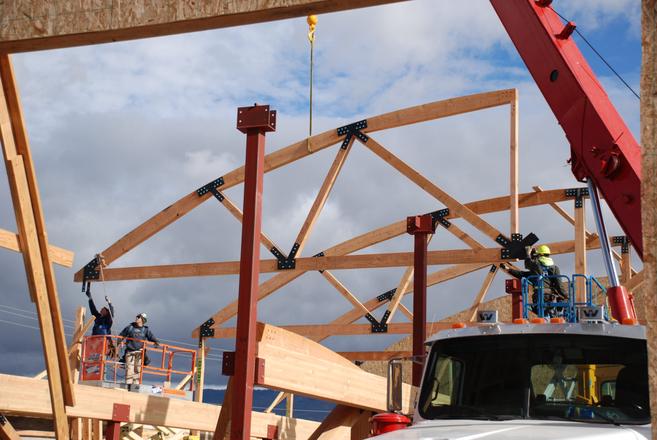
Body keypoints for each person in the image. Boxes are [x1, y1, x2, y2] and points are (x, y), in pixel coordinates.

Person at [501, 245, 567, 316]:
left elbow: (526, 267)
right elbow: (559, 286)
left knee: (542, 314)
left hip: (538, 296)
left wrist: (528, 254)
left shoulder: (536, 265)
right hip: (550, 297)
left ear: (540, 255)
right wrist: (566, 296)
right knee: (549, 315)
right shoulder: (555, 268)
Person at [119, 313, 159, 389]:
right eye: (137, 317)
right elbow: (121, 335)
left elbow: (151, 337)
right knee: (130, 370)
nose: (136, 318)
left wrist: (156, 342)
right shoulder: (130, 327)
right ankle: (128, 387)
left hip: (140, 353)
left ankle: (135, 387)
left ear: (143, 320)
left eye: (138, 317)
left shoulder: (145, 330)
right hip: (130, 352)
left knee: (137, 370)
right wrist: (118, 342)